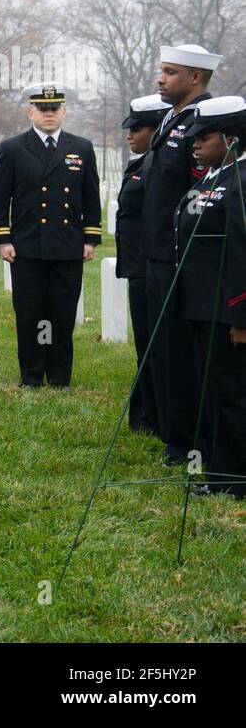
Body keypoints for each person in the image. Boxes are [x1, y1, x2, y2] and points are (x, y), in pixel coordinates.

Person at [0, 83, 102, 388]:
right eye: (42, 109)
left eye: (54, 109)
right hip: (27, 246)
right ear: (31, 112)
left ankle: (60, 375)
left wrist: (90, 238)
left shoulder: (81, 147)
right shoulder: (13, 148)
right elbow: (0, 198)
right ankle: (32, 374)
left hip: (67, 245)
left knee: (62, 313)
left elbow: (91, 196)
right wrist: (2, 238)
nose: (49, 114)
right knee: (31, 313)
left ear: (64, 112)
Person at [143, 44, 218, 465]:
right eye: (162, 71)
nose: (161, 78)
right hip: (157, 253)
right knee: (163, 350)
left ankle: (188, 441)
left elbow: (196, 192)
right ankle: (173, 434)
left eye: (170, 72)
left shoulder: (203, 124)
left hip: (181, 257)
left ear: (195, 78)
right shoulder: (171, 119)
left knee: (181, 352)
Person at [173, 96, 246, 497]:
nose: (195, 144)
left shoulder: (241, 180)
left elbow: (242, 251)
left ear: (232, 138)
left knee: (232, 394)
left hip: (227, 311)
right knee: (214, 392)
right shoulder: (215, 177)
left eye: (205, 136)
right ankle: (220, 470)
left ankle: (232, 481)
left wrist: (240, 316)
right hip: (201, 307)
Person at [115, 94, 171, 435]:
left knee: (153, 344)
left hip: (149, 266)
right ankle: (146, 414)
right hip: (138, 266)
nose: (129, 135)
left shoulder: (158, 166)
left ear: (157, 129)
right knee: (144, 345)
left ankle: (154, 416)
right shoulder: (142, 163)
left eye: (137, 128)